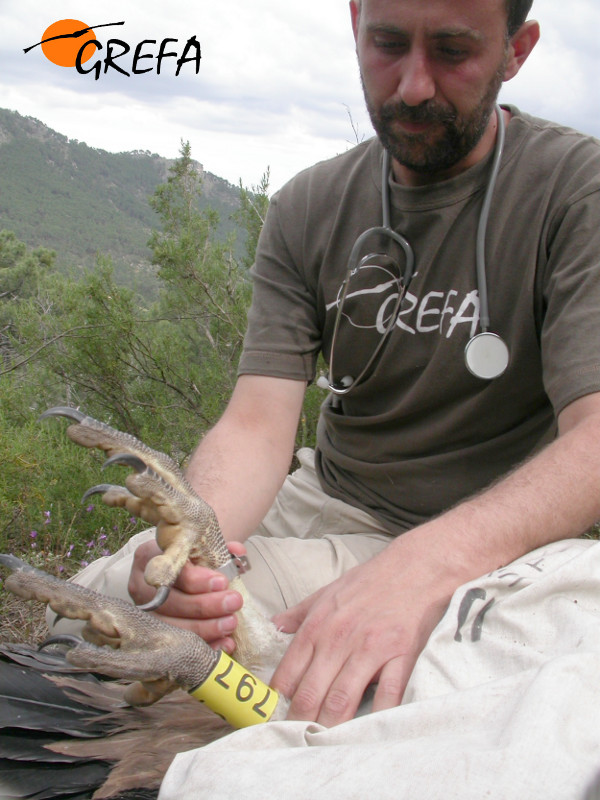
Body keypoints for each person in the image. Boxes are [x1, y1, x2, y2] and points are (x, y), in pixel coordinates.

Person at [52, 0, 600, 734]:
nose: (411, 85)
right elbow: (256, 422)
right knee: (97, 620)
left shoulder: (574, 191)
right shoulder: (308, 204)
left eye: (452, 50)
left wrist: (424, 565)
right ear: (353, 23)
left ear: (517, 50)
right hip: (328, 505)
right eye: (387, 42)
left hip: (495, 544)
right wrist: (195, 551)